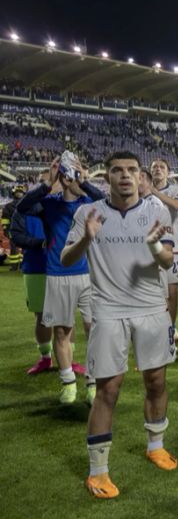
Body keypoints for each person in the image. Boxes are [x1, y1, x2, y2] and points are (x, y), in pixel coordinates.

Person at [61, 150, 178, 499]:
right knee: (107, 389)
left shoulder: (156, 210)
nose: (125, 176)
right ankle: (97, 472)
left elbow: (168, 258)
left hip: (151, 308)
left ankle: (155, 445)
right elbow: (67, 257)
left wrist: (155, 245)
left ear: (139, 176)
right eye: (117, 171)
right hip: (108, 311)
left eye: (131, 170)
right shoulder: (88, 213)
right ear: (106, 177)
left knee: (156, 381)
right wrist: (86, 238)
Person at [18, 155, 105, 405]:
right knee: (62, 331)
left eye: (75, 170)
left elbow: (109, 202)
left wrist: (85, 182)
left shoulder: (90, 201)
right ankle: (68, 382)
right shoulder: (49, 203)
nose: (71, 176)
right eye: (68, 171)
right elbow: (22, 207)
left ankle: (92, 382)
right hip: (57, 273)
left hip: (89, 274)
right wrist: (49, 183)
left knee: (94, 331)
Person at [10, 178, 53, 374]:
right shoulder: (22, 210)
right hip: (35, 266)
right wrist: (39, 244)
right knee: (42, 315)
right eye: (44, 183)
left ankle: (67, 359)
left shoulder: (57, 207)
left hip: (61, 267)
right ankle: (45, 357)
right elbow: (16, 236)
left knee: (65, 317)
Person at [149, 159, 178, 342]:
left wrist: (153, 192)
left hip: (173, 247)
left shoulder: (174, 189)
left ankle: (171, 328)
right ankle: (157, 330)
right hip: (150, 248)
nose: (157, 169)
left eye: (161, 167)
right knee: (154, 291)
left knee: (172, 292)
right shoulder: (142, 193)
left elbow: (177, 205)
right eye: (154, 167)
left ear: (168, 172)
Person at [2, 185, 25, 270]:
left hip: (22, 229)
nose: (19, 194)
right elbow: (5, 218)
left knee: (23, 248)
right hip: (14, 230)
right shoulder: (8, 206)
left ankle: (22, 265)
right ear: (14, 193)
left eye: (20, 192)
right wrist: (5, 229)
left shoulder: (27, 205)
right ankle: (15, 266)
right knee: (14, 248)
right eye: (17, 192)